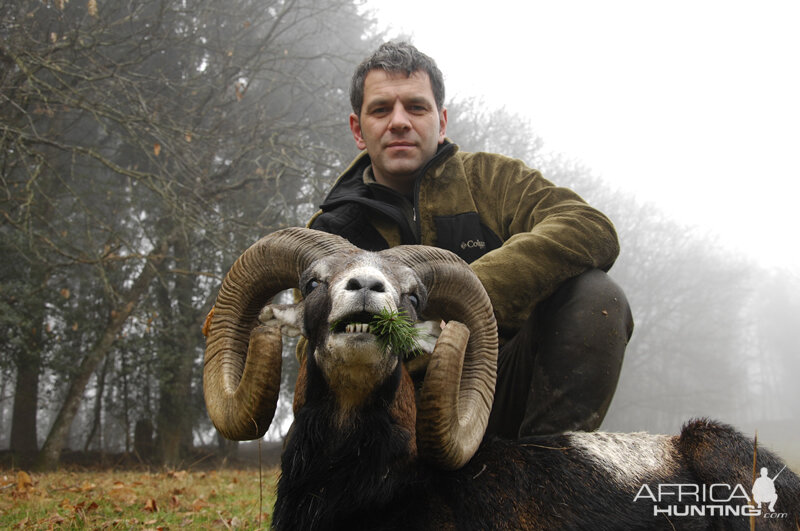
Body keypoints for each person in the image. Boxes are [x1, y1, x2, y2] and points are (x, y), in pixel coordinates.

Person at [307, 41, 634, 439]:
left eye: (416, 107)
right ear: (358, 129)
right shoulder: (330, 232)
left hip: (496, 394)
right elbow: (314, 356)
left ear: (441, 122)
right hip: (387, 424)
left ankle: (547, 474)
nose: (399, 122)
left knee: (598, 297)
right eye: (380, 109)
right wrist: (420, 338)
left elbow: (589, 226)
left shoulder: (493, 181)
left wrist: (472, 297)